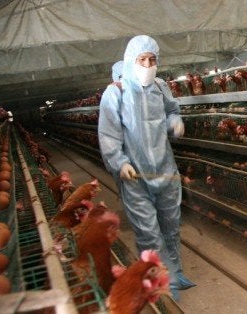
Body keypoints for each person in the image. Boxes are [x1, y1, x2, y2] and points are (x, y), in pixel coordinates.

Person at [98, 35, 195, 300]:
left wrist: (175, 121)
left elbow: (171, 111)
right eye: (143, 59)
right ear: (131, 61)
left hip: (164, 170)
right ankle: (158, 281)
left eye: (153, 60)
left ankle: (175, 273)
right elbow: (108, 134)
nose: (148, 64)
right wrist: (119, 162)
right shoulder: (116, 92)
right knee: (149, 232)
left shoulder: (160, 87)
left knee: (171, 226)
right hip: (135, 175)